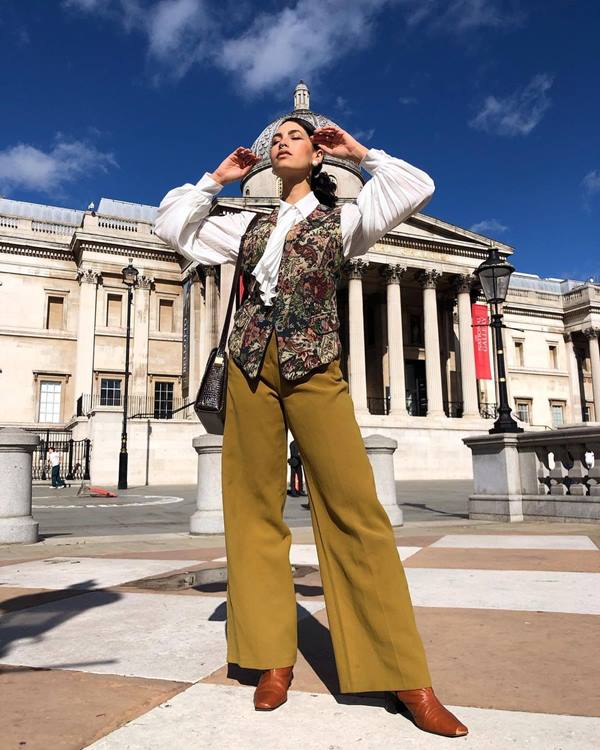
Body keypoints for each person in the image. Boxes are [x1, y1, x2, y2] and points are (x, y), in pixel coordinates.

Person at [154, 118, 468, 738]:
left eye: (294, 137)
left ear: (319, 156)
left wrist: (361, 152)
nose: (281, 143)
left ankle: (406, 674)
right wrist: (216, 179)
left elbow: (417, 186)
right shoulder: (245, 224)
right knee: (251, 511)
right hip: (249, 367)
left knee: (355, 509)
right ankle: (273, 658)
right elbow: (172, 227)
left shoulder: (346, 220)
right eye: (276, 139)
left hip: (315, 364)